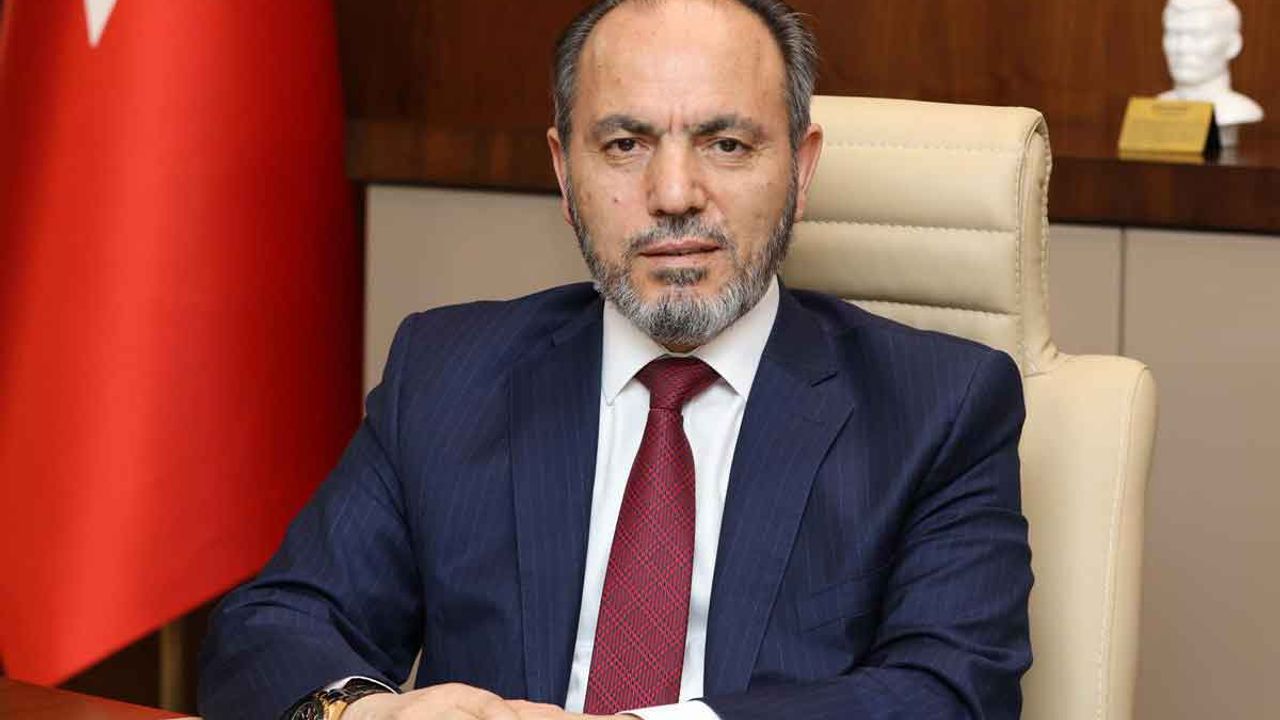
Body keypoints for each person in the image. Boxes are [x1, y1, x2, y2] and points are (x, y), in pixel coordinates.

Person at [197, 1, 1033, 718]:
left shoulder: (938, 408)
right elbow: (272, 627)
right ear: (565, 174)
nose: (673, 194)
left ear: (801, 170)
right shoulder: (447, 373)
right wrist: (365, 711)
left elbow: (949, 694)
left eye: (726, 144)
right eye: (626, 144)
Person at [1159, 0, 1264, 146]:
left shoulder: (1236, 111)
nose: (1182, 48)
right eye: (1174, 34)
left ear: (1233, 45)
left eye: (1198, 36)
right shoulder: (1158, 107)